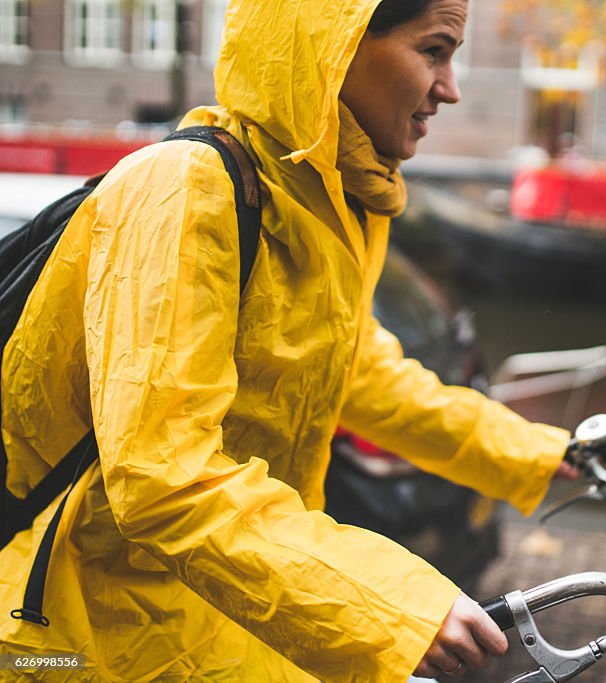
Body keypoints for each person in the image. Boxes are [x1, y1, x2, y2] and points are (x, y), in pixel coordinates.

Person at [0, 0, 573, 680]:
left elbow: (360, 372)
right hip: (75, 633)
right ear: (334, 42)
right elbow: (163, 475)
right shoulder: (186, 189)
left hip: (216, 609)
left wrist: (546, 454)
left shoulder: (324, 202)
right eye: (435, 50)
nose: (449, 88)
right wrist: (387, 602)